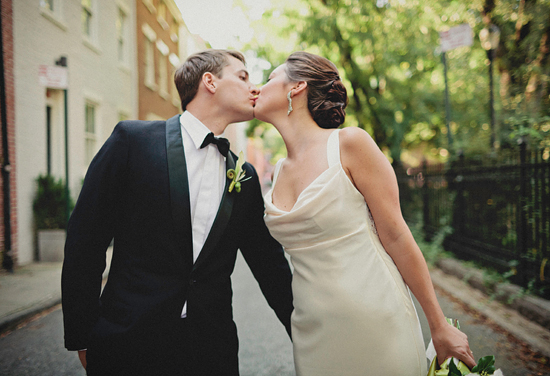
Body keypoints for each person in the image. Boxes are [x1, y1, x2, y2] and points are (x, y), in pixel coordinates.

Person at [61, 49, 293, 376]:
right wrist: (83, 336)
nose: (254, 88)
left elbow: (270, 265)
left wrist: (306, 336)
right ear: (209, 82)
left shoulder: (246, 176)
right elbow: (86, 241)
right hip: (129, 345)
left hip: (212, 352)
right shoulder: (132, 142)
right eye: (242, 77)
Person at [254, 51, 476, 376]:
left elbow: (397, 235)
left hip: (377, 323)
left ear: (296, 87)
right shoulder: (278, 173)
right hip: (312, 332)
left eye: (270, 78)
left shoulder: (349, 145)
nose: (258, 88)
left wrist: (439, 325)